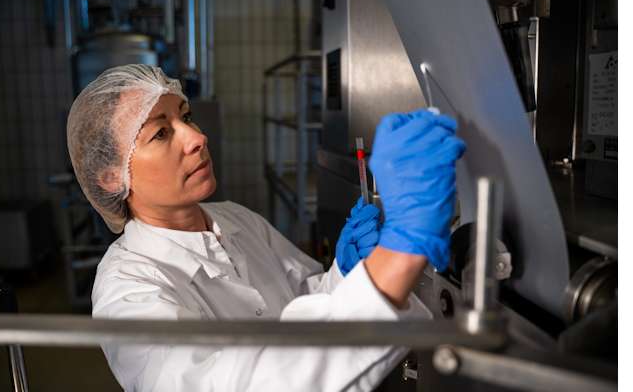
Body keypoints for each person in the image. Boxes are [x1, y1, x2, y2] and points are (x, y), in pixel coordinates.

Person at [66, 64, 466, 391]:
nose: (197, 137)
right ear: (111, 177)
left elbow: (302, 300)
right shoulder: (127, 287)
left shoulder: (235, 218)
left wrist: (345, 272)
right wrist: (400, 253)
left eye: (185, 117)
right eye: (161, 133)